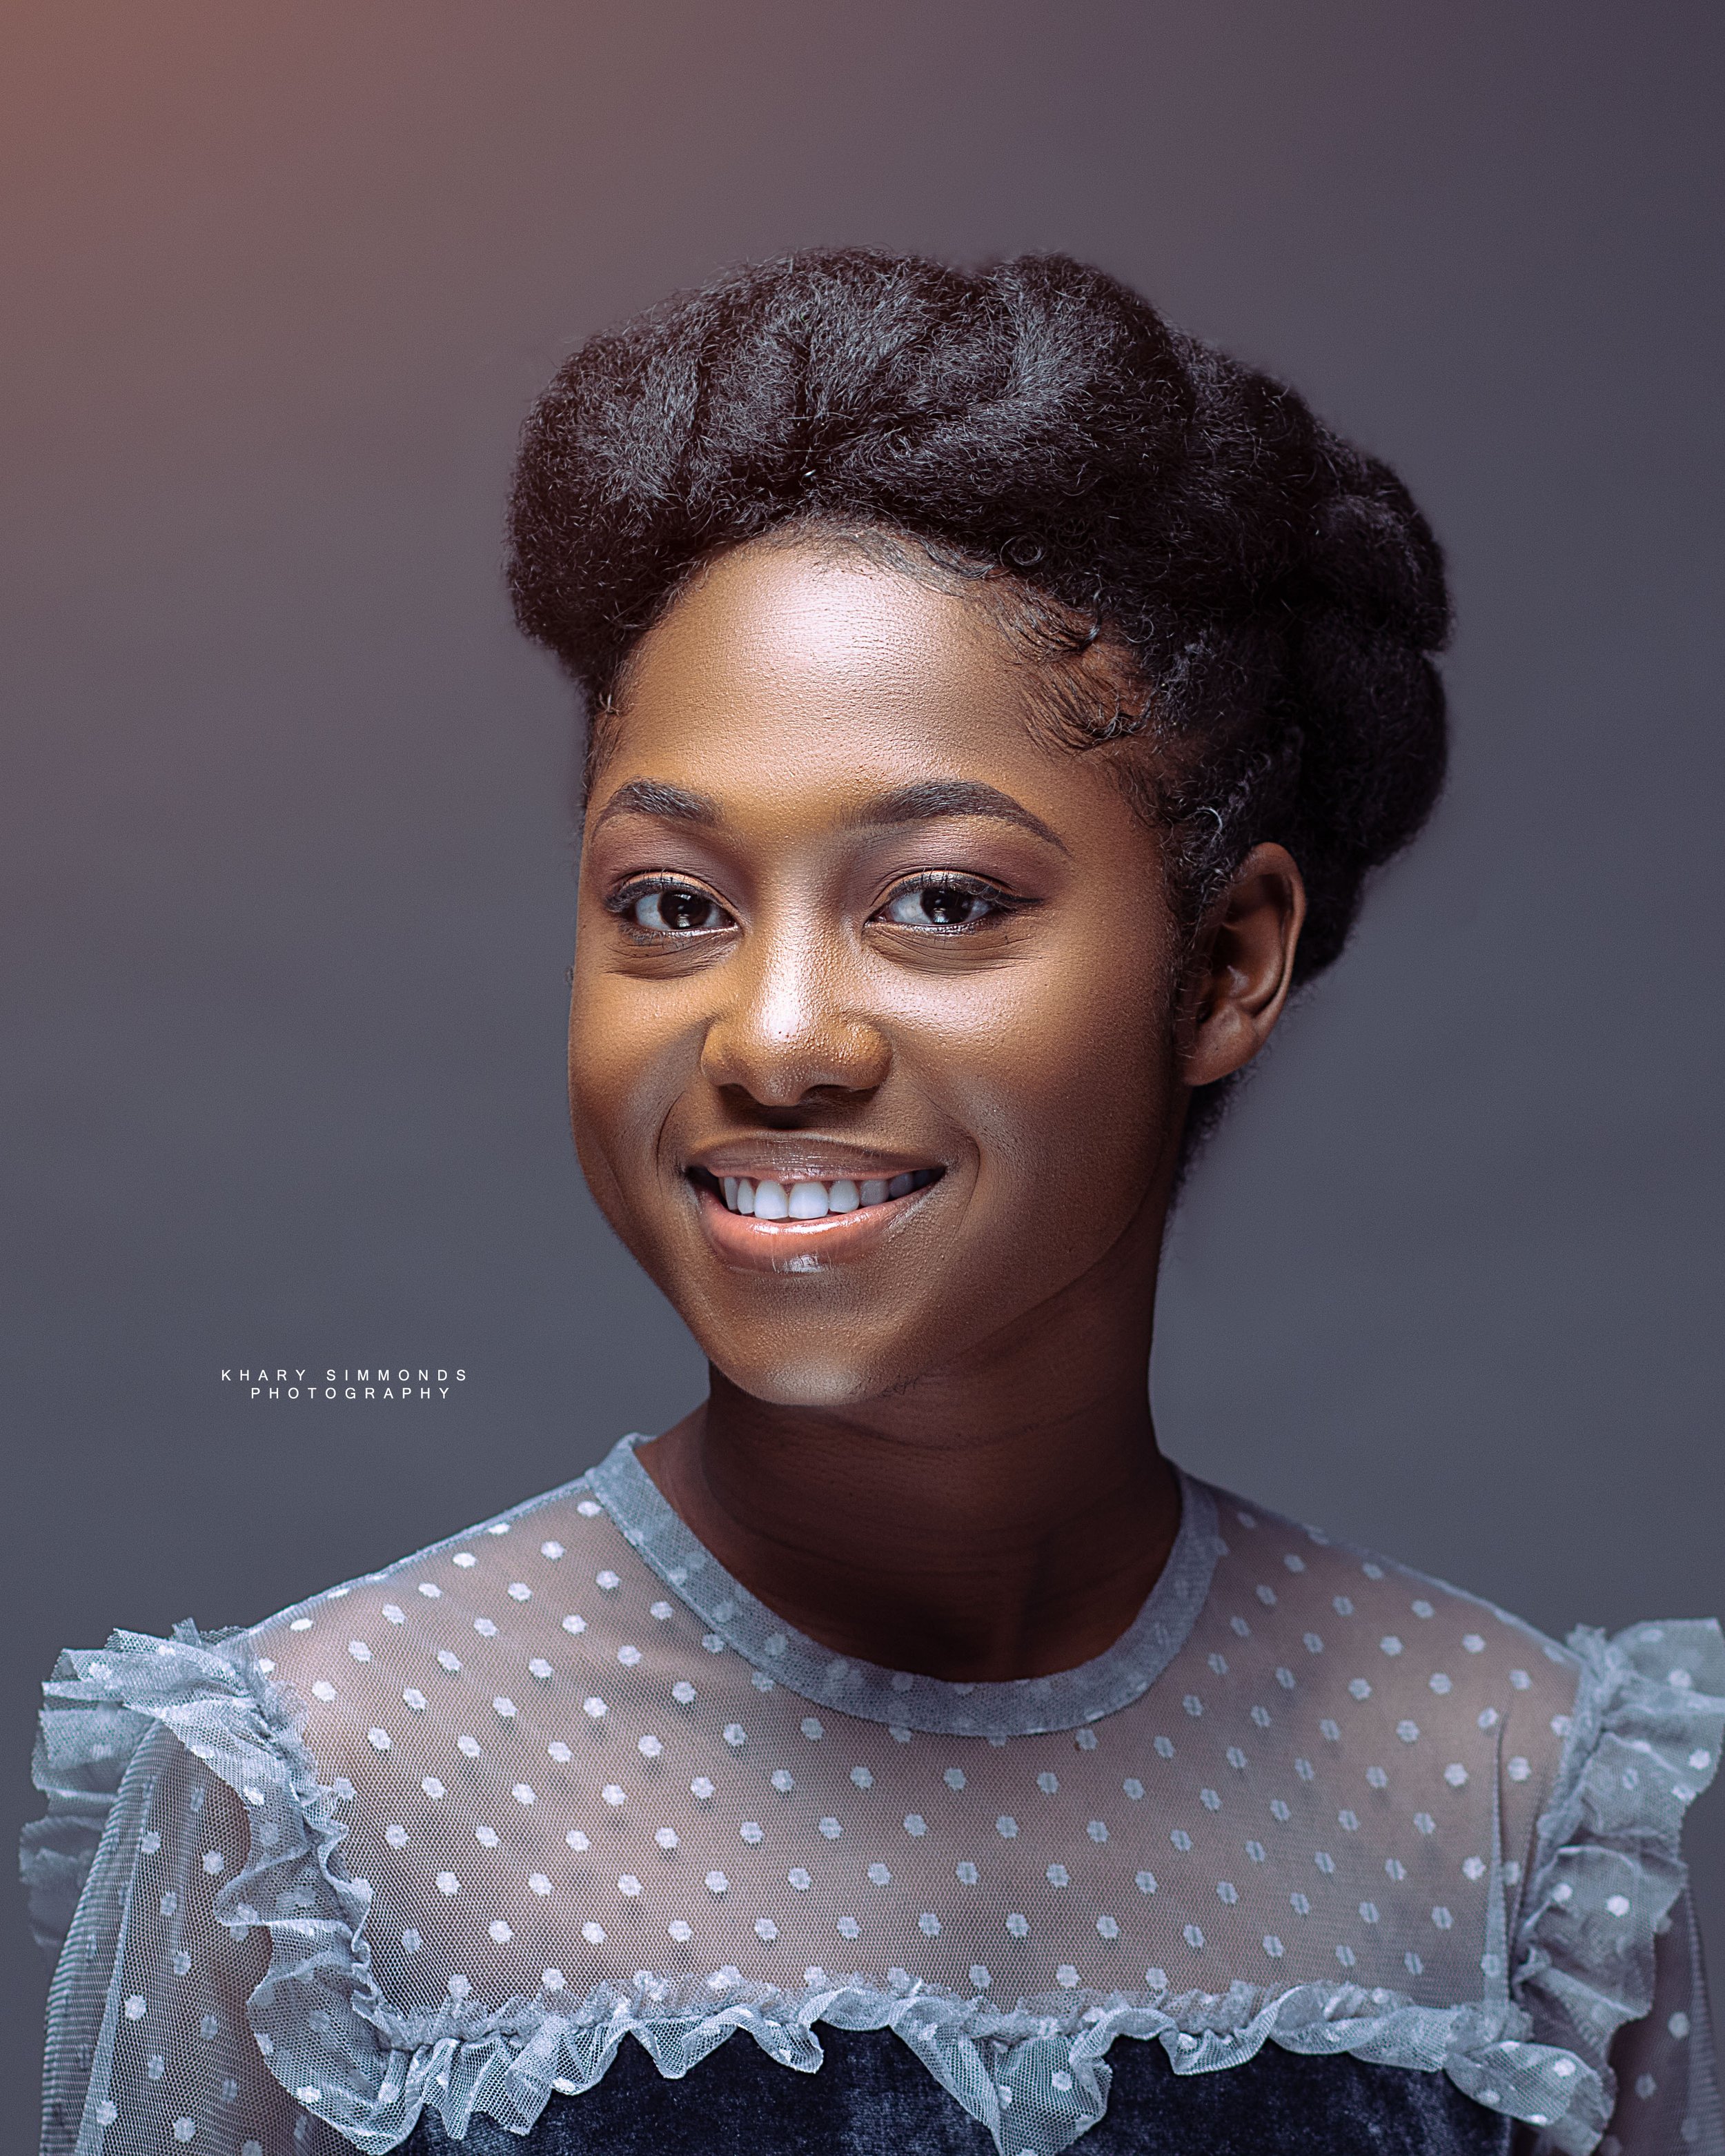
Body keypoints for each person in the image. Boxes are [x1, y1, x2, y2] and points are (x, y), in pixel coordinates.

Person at [25, 250, 1722, 2156]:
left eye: (937, 900)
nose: (773, 1037)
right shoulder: (323, 1790)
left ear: (1230, 960)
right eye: (672, 902)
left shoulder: (1501, 1788)